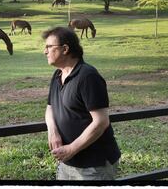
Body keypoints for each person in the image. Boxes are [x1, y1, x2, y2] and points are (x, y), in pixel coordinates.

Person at [42, 27, 121, 180]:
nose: (45, 51)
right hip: (67, 161)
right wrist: (53, 132)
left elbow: (101, 121)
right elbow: (50, 108)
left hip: (94, 166)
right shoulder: (58, 74)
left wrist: (72, 148)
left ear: (65, 49)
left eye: (49, 47)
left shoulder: (88, 76)